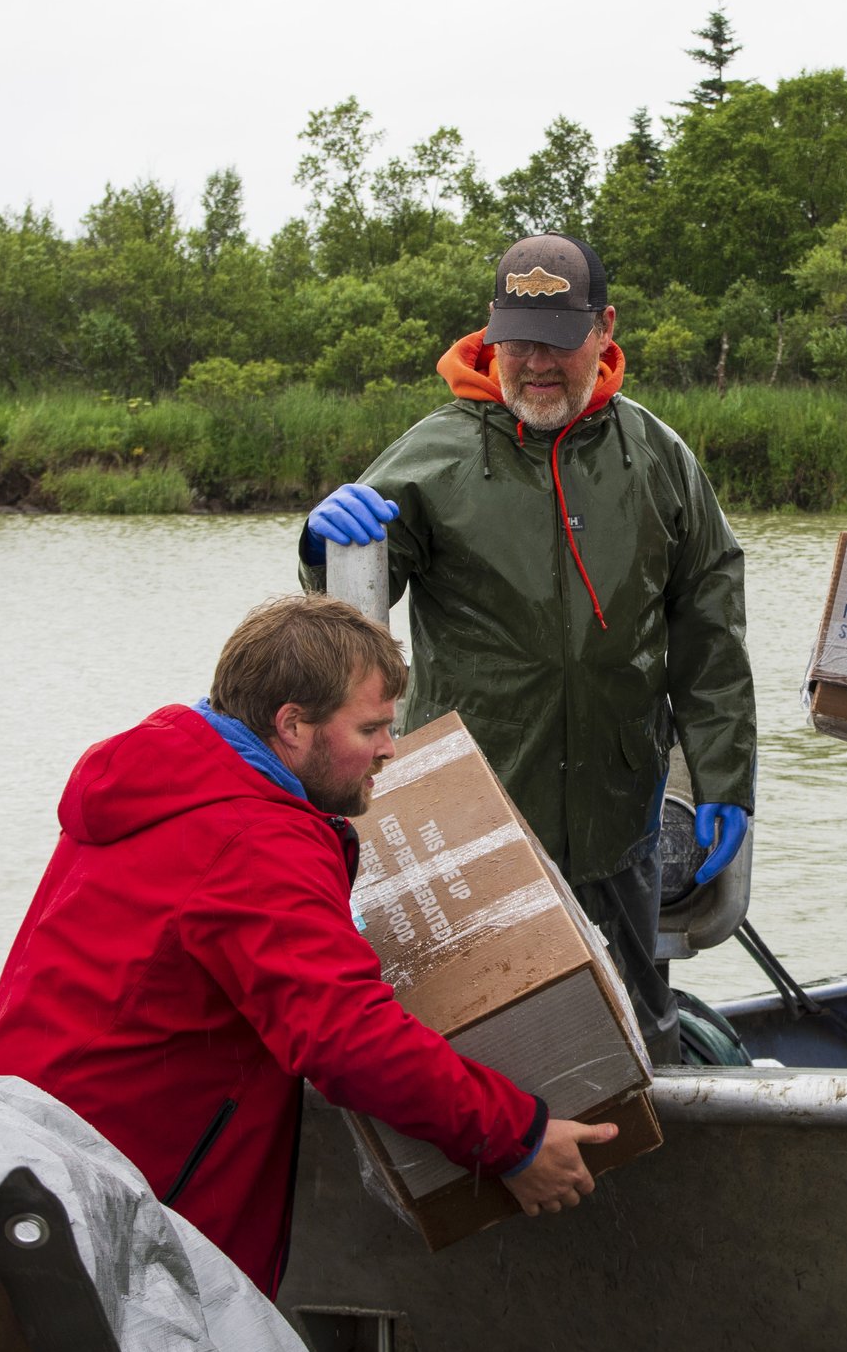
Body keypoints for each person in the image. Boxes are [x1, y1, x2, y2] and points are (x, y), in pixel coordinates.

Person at [0, 594, 616, 1296]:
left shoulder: (173, 776)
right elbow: (347, 1037)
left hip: (3, 1162)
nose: (391, 749)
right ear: (292, 725)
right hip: (96, 1222)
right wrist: (514, 1139)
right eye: (371, 728)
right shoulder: (255, 842)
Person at [299, 232, 755, 1065]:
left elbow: (710, 629)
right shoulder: (430, 456)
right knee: (483, 1047)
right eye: (519, 341)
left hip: (619, 819)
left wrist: (726, 776)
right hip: (476, 814)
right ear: (490, 333)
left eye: (559, 339)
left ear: (606, 328)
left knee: (634, 1042)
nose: (536, 363)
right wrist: (321, 546)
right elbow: (341, 630)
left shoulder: (657, 456)